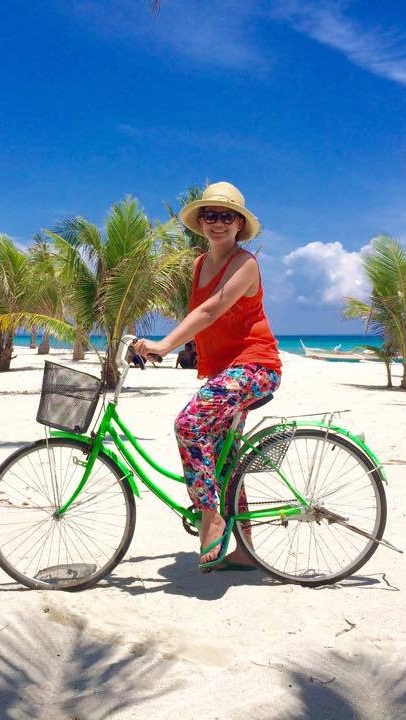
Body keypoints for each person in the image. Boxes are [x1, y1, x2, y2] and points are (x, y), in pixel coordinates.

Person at [134, 181, 281, 572]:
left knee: (188, 424)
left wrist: (164, 345)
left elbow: (212, 310)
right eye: (209, 215)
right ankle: (247, 550)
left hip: (256, 367)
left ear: (238, 224)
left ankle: (210, 514)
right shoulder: (200, 264)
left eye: (226, 216)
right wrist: (174, 346)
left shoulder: (245, 263)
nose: (217, 223)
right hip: (227, 371)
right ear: (200, 222)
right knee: (227, 461)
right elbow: (201, 321)